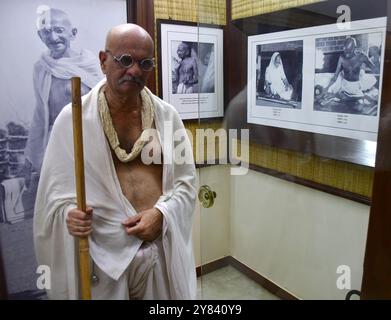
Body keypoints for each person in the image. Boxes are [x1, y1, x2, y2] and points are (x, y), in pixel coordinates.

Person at [33, 23, 197, 300]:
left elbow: (187, 185)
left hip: (159, 254)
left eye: (144, 63)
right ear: (103, 61)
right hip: (102, 264)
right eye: (124, 60)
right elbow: (53, 200)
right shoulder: (71, 119)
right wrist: (68, 216)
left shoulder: (168, 118)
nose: (134, 70)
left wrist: (162, 214)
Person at [23, 6, 103, 186]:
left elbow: (105, 106)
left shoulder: (90, 65)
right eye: (46, 32)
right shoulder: (41, 68)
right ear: (40, 35)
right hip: (56, 145)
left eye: (59, 31)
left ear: (72, 33)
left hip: (89, 143)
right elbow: (40, 114)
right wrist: (30, 156)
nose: (52, 38)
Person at [323, 37, 377, 105]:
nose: (347, 55)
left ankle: (361, 97)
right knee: (336, 97)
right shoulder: (342, 57)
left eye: (349, 52)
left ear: (354, 48)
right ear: (344, 48)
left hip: (356, 86)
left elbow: (374, 68)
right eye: (346, 52)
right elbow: (335, 75)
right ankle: (360, 97)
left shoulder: (362, 57)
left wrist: (373, 59)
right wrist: (327, 87)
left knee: (358, 102)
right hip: (345, 85)